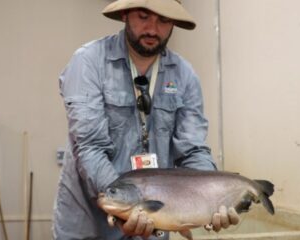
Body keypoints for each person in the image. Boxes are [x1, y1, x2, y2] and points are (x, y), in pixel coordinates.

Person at [53, 0, 240, 239]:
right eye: (143, 17)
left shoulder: (185, 76)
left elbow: (193, 151)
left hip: (154, 219)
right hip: (88, 224)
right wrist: (128, 207)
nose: (153, 29)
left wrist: (211, 201)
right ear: (124, 14)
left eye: (164, 20)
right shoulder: (88, 62)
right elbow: (90, 147)